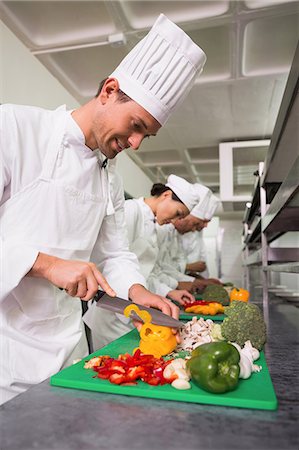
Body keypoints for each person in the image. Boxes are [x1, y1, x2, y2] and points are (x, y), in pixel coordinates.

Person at [0, 14, 206, 404]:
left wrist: (137, 290)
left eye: (146, 133)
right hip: (6, 360)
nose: (136, 142)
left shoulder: (108, 173)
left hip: (71, 353)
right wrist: (44, 263)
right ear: (110, 90)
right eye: (136, 125)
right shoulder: (14, 128)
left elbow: (113, 252)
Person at [84, 175, 204, 349]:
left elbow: (148, 271)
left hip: (135, 308)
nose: (176, 221)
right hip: (112, 311)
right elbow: (112, 258)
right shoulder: (131, 210)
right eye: (178, 213)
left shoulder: (154, 224)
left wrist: (168, 291)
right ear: (166, 195)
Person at [151, 191, 222, 293]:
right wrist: (177, 284)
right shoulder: (159, 227)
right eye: (195, 224)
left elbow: (162, 268)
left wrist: (193, 280)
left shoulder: (173, 233)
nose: (194, 230)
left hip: (162, 288)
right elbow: (154, 268)